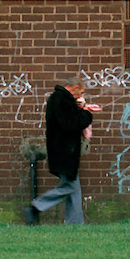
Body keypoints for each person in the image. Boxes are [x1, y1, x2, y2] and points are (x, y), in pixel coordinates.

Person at [23, 76, 99, 225]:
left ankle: (75, 223)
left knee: (74, 188)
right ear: (75, 87)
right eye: (81, 91)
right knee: (70, 186)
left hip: (63, 150)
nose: (81, 95)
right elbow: (70, 125)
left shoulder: (60, 99)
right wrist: (86, 115)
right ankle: (36, 206)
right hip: (64, 151)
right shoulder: (61, 100)